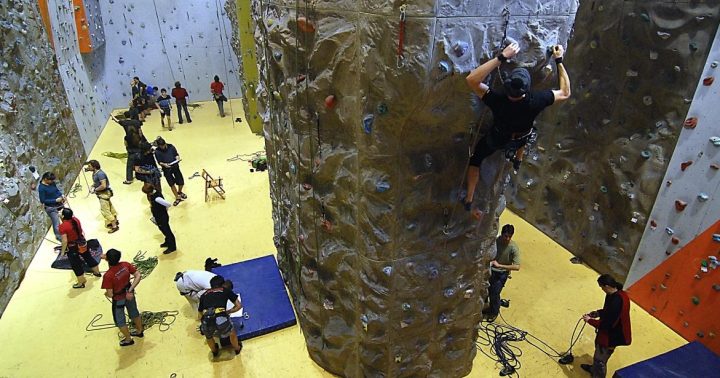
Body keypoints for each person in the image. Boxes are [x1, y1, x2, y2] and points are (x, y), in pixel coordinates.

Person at [463, 43, 571, 212]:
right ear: (527, 88)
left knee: (476, 159)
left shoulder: (497, 100)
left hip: (497, 138)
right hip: (520, 137)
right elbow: (565, 92)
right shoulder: (536, 100)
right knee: (526, 133)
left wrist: (502, 57)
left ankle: (469, 198)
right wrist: (559, 60)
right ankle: (517, 159)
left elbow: (472, 79)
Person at [581, 274, 632, 377]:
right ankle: (594, 369)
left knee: (600, 359)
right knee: (598, 354)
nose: (602, 289)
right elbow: (608, 311)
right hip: (610, 331)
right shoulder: (616, 294)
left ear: (607, 286)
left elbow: (607, 325)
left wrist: (590, 320)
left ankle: (598, 375)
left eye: (602, 287)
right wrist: (598, 313)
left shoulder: (617, 301)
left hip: (612, 336)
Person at [102, 248, 144, 347]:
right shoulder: (125, 265)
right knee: (134, 312)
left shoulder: (108, 276)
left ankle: (128, 339)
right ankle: (139, 330)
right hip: (129, 294)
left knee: (120, 320)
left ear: (108, 259)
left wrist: (106, 294)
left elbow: (111, 294)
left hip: (118, 299)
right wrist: (130, 290)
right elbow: (138, 275)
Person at [482, 224, 520, 322]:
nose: (507, 239)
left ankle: (494, 312)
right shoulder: (495, 241)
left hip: (501, 273)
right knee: (485, 289)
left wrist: (500, 266)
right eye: (505, 236)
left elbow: (517, 266)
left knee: (495, 293)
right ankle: (485, 306)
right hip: (490, 269)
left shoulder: (513, 248)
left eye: (509, 237)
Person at [198, 275, 243, 357]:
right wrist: (229, 311)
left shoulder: (204, 295)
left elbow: (199, 314)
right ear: (222, 284)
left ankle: (214, 351)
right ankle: (237, 348)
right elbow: (238, 306)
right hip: (221, 318)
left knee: (208, 337)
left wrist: (203, 323)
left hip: (207, 319)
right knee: (231, 332)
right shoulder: (224, 290)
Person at [59, 208, 101, 288]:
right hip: (81, 242)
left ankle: (81, 282)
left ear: (63, 216)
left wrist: (62, 251)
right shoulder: (75, 220)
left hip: (72, 247)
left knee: (76, 264)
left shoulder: (63, 226)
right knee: (88, 257)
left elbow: (64, 241)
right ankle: (97, 272)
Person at [111, 112, 146, 184]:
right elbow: (140, 131)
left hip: (130, 143)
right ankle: (145, 174)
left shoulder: (124, 122)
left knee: (129, 164)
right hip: (138, 141)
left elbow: (117, 121)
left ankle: (129, 179)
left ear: (124, 116)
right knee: (142, 160)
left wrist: (112, 116)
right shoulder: (136, 122)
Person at [142, 183, 176, 254]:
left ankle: (172, 247)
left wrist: (164, 209)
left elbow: (168, 204)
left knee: (167, 231)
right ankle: (167, 242)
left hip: (162, 217)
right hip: (158, 216)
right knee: (163, 230)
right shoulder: (155, 192)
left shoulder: (157, 198)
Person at [86, 160, 119, 233]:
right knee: (110, 207)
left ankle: (114, 226)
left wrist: (95, 190)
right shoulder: (95, 173)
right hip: (101, 193)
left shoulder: (100, 174)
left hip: (104, 193)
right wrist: (93, 186)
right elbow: (97, 182)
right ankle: (115, 220)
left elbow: (103, 185)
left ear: (94, 167)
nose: (88, 167)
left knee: (105, 210)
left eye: (89, 166)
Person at [154, 137, 186, 206]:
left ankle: (179, 192)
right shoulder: (157, 151)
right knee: (171, 184)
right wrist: (164, 164)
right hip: (166, 169)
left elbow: (176, 154)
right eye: (161, 146)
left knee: (181, 182)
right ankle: (177, 197)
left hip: (175, 166)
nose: (163, 147)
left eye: (163, 145)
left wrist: (177, 158)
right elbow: (159, 162)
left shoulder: (171, 147)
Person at [38, 172, 66, 242]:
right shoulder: (41, 188)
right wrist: (55, 200)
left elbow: (56, 190)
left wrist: (61, 195)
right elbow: (43, 200)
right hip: (51, 208)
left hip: (59, 204)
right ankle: (60, 238)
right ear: (45, 179)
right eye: (50, 180)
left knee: (66, 218)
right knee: (56, 224)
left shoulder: (52, 183)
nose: (52, 182)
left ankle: (67, 231)